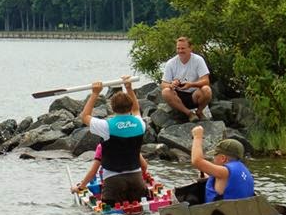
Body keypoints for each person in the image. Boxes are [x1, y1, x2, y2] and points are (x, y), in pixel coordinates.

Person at [79, 76, 149, 205]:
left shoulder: (106, 126)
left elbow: (84, 116)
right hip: (137, 180)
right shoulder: (140, 124)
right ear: (130, 106)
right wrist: (129, 88)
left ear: (112, 107)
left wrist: (95, 93)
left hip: (113, 181)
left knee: (112, 213)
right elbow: (136, 110)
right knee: (140, 210)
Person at [190, 126, 254, 202]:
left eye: (215, 156)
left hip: (221, 209)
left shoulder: (224, 172)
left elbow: (197, 161)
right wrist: (210, 177)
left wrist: (197, 136)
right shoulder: (243, 170)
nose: (213, 159)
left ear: (223, 158)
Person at [160, 36, 213, 122]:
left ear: (190, 48)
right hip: (178, 96)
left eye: (183, 48)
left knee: (207, 90)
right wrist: (171, 85)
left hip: (194, 94)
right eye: (178, 48)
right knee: (165, 92)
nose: (180, 51)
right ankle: (189, 113)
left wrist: (191, 84)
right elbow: (163, 84)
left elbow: (206, 81)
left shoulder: (198, 60)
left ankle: (199, 112)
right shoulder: (171, 63)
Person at [70, 143, 151, 194]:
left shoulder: (102, 146)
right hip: (136, 185)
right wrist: (142, 177)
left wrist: (80, 188)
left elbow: (93, 172)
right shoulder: (131, 143)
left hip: (113, 187)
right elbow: (144, 166)